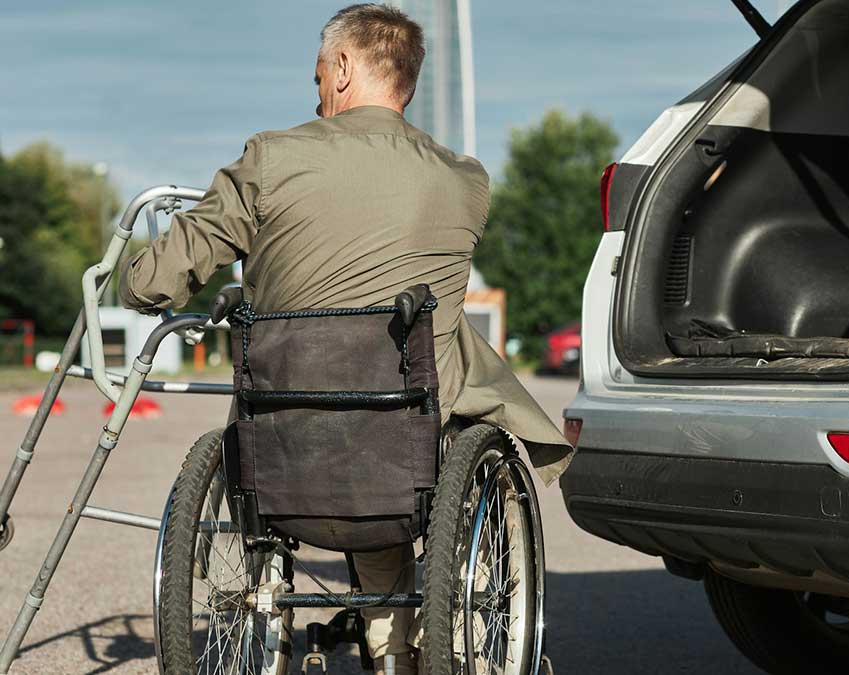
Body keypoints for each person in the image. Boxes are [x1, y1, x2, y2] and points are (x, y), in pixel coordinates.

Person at [119, 5, 571, 673]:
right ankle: (405, 644)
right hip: (401, 447)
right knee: (407, 403)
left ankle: (336, 622)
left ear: (344, 67)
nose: (317, 94)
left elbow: (155, 281)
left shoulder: (272, 158)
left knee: (326, 406)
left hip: (281, 447)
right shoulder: (464, 182)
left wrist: (131, 278)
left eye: (318, 77)